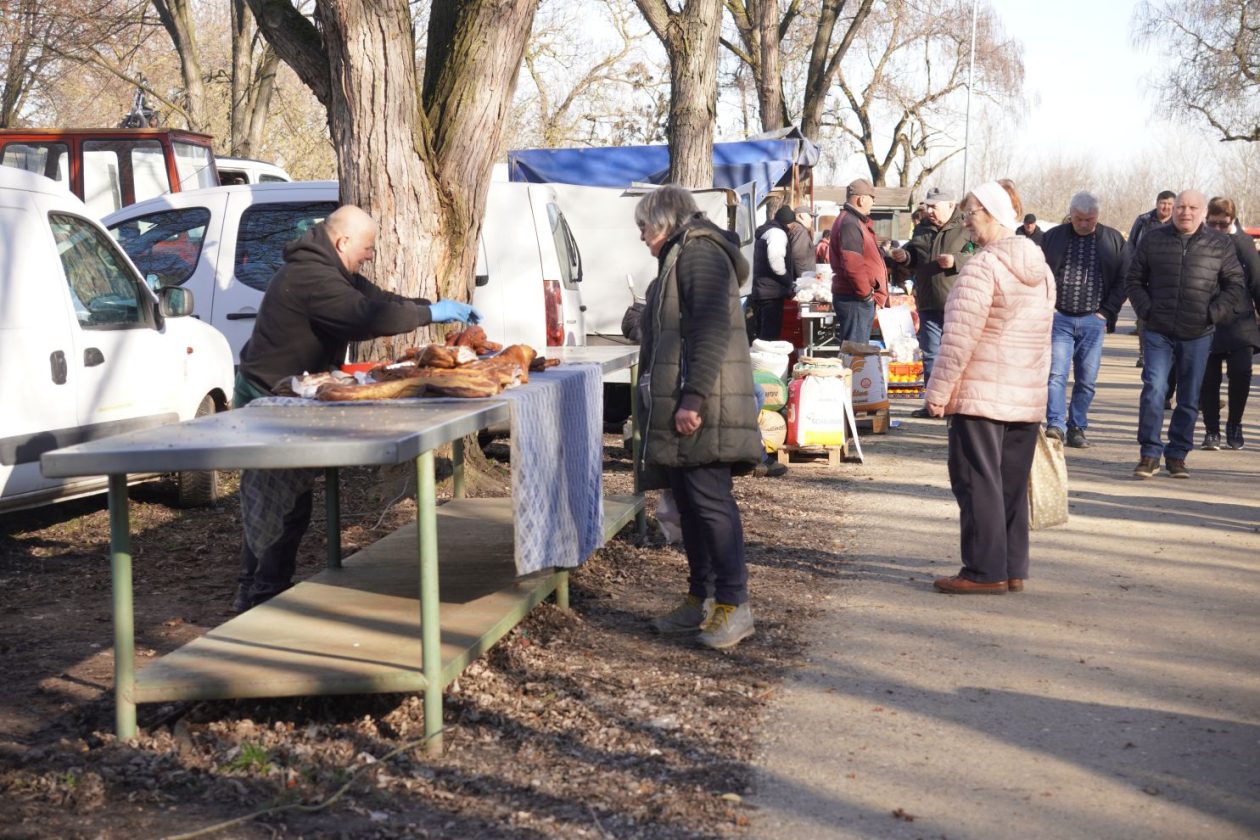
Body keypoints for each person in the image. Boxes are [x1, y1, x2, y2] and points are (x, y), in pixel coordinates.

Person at [232, 205, 481, 611]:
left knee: (282, 496)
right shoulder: (312, 276)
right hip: (270, 396)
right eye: (367, 247)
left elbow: (378, 299)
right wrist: (431, 314)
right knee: (279, 499)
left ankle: (257, 586)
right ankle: (261, 595)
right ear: (343, 241)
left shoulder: (328, 268)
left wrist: (430, 306)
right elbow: (365, 316)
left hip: (291, 392)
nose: (370, 255)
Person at [634, 185, 762, 649]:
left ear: (666, 220)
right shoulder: (681, 255)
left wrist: (693, 398)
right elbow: (676, 328)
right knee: (691, 505)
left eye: (644, 226)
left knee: (711, 504)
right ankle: (701, 599)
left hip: (707, 406)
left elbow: (708, 332)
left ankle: (734, 605)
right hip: (690, 401)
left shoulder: (699, 254)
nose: (642, 236)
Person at [924, 180, 1055, 594]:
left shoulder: (982, 266)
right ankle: (1012, 566)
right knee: (1010, 485)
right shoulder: (1041, 267)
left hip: (981, 392)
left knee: (977, 480)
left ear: (993, 216)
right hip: (1025, 395)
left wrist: (937, 394)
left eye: (970, 214)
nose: (966, 222)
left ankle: (983, 571)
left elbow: (959, 339)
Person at [1125, 190, 1244, 479]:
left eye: (1192, 207)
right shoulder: (1153, 238)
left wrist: (1213, 313)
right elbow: (1133, 279)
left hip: (1198, 332)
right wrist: (1146, 310)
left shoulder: (1220, 244)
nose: (1185, 212)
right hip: (1158, 330)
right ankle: (1149, 453)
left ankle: (1177, 454)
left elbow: (1235, 284)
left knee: (1190, 397)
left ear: (1203, 212)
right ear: (1173, 209)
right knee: (1154, 389)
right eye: (1180, 206)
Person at [1039, 191, 1128, 448]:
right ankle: (1056, 424)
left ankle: (1077, 426)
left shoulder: (1112, 240)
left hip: (1093, 319)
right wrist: (1048, 307)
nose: (1084, 224)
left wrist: (1106, 312)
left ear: (1097, 217)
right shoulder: (1053, 237)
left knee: (1086, 379)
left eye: (1089, 219)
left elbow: (1124, 278)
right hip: (1059, 318)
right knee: (1056, 374)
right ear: (1071, 214)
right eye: (1078, 219)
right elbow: (1039, 272)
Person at [889, 186, 972, 413]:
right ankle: (933, 404)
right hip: (927, 302)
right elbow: (916, 255)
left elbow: (980, 253)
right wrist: (905, 257)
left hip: (959, 304)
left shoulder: (967, 227)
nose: (930, 211)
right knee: (931, 355)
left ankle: (958, 403)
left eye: (935, 207)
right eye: (928, 206)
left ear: (950, 205)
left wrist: (956, 260)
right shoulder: (922, 228)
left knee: (957, 355)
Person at [1199, 197, 1260, 450]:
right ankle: (1211, 430)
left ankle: (1234, 423)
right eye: (1212, 224)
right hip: (1207, 318)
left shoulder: (1244, 244)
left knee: (1241, 373)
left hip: (1240, 321)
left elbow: (1257, 282)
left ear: (1232, 221)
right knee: (1208, 378)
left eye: (1223, 225)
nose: (1217, 230)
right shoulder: (1199, 241)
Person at [828, 178, 888, 344]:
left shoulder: (851, 221)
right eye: (872, 199)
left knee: (855, 353)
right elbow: (853, 264)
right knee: (856, 353)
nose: (873, 203)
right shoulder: (850, 223)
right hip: (854, 299)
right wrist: (866, 296)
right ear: (862, 199)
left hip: (854, 297)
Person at [1129, 190, 1176, 369]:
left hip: (1167, 278)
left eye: (1170, 204)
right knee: (1144, 316)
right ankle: (1143, 352)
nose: (1166, 208)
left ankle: (1165, 354)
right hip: (1144, 276)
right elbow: (1131, 246)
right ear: (1157, 203)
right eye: (1163, 203)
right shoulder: (1143, 220)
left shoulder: (1177, 223)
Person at [749, 205, 797, 341]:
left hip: (762, 290)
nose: (793, 226)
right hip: (772, 292)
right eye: (793, 223)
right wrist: (787, 279)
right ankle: (765, 361)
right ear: (787, 222)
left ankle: (758, 360)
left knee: (761, 334)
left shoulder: (766, 232)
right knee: (769, 336)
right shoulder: (777, 234)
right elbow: (776, 262)